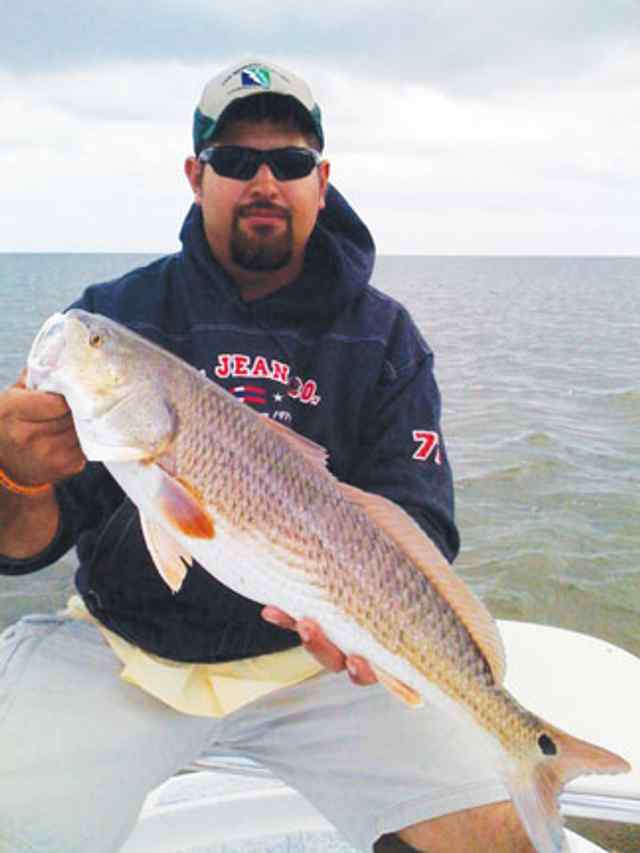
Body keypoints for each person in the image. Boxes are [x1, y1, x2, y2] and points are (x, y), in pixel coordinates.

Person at [0, 59, 533, 852]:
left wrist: (363, 625)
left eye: (288, 161)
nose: (263, 181)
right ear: (195, 176)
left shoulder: (387, 337)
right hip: (124, 651)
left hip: (318, 666)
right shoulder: (118, 313)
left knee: (502, 836)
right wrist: (14, 474)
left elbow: (418, 520)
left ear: (322, 181)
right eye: (234, 159)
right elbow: (25, 543)